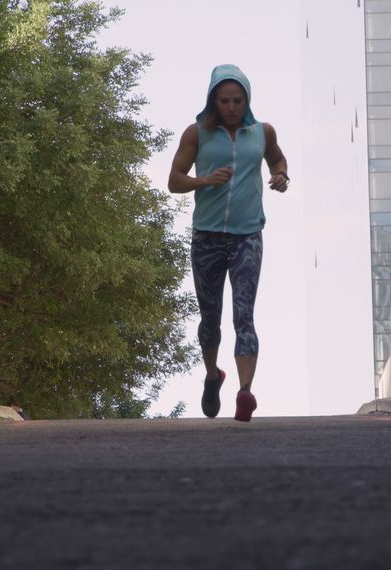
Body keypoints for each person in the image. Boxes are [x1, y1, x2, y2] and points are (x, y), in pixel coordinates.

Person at [167, 64, 289, 422]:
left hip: (247, 235)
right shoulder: (197, 134)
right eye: (225, 100)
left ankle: (245, 391)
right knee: (210, 318)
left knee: (244, 314)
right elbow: (174, 181)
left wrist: (280, 174)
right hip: (207, 236)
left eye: (238, 100)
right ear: (213, 100)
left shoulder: (262, 132)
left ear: (247, 100)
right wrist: (204, 181)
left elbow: (277, 158)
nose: (232, 107)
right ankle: (212, 375)